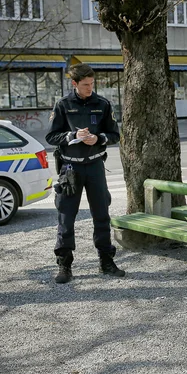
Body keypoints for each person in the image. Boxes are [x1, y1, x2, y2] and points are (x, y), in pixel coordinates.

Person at [46, 63, 126, 284]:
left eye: (92, 83)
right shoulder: (63, 105)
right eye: (85, 84)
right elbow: (51, 137)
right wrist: (72, 135)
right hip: (70, 168)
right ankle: (64, 264)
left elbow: (114, 134)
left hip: (94, 166)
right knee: (66, 216)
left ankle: (106, 260)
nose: (90, 88)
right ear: (74, 84)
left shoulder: (102, 104)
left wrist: (99, 139)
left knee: (101, 214)